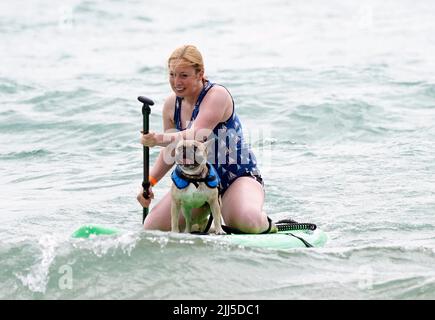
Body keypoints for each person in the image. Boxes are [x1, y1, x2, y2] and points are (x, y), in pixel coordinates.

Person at [137, 44, 276, 234]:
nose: (176, 81)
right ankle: (203, 222)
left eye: (183, 75)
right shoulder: (171, 105)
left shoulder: (217, 95)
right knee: (152, 228)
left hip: (235, 176)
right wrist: (149, 183)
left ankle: (268, 225)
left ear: (200, 73)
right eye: (172, 74)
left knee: (247, 221)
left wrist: (157, 138)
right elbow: (171, 151)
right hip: (194, 180)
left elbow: (197, 135)